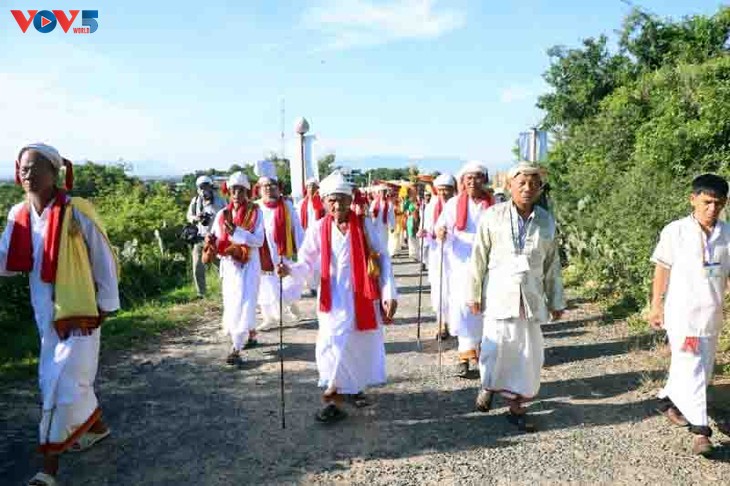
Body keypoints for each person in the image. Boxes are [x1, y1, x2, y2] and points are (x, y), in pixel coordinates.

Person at [0, 143, 120, 486]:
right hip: (45, 316)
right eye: (22, 167)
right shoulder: (18, 215)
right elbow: (5, 256)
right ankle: (97, 428)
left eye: (35, 167)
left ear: (55, 172)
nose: (27, 173)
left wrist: (105, 306)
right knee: (70, 379)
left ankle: (48, 468)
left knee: (58, 384)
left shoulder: (76, 211)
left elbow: (104, 259)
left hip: (81, 312)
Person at [283, 171, 398, 423]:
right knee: (331, 345)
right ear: (324, 202)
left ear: (350, 200)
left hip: (363, 296)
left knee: (357, 345)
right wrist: (289, 269)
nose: (337, 205)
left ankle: (351, 388)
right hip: (332, 298)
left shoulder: (364, 225)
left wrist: (389, 292)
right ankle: (333, 395)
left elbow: (383, 259)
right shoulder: (318, 229)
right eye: (332, 200)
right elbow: (305, 262)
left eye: (342, 200)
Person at [468, 162, 565, 433]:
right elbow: (478, 258)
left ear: (540, 189)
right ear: (509, 186)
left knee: (527, 355)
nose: (527, 188)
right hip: (500, 295)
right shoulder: (492, 216)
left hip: (531, 298)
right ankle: (488, 385)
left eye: (533, 184)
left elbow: (552, 264)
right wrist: (473, 293)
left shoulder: (546, 221)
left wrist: (556, 299)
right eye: (521, 183)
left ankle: (517, 407)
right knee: (494, 349)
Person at [648, 174, 730, 455]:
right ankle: (701, 431)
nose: (712, 209)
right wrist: (656, 305)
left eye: (718, 204)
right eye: (706, 202)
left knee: (701, 371)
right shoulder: (676, 231)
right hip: (682, 317)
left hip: (711, 316)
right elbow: (662, 268)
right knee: (691, 365)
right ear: (693, 199)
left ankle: (667, 400)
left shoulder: (727, 234)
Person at [434, 161, 495, 378]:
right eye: (468, 178)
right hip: (460, 261)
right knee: (462, 307)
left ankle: (480, 352)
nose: (472, 181)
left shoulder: (495, 204)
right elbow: (441, 225)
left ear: (484, 180)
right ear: (463, 182)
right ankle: (463, 355)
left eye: (477, 177)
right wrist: (440, 231)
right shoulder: (453, 204)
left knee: (484, 307)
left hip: (487, 262)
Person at [206, 171, 264, 365]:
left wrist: (238, 233)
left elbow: (259, 240)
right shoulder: (222, 214)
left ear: (247, 192)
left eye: (241, 190)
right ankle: (251, 334)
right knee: (232, 302)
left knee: (246, 302)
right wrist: (210, 242)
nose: (237, 194)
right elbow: (214, 237)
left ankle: (236, 348)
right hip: (230, 266)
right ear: (228, 192)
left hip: (249, 263)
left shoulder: (256, 212)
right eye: (233, 190)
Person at [254, 160, 305, 329]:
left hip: (284, 252)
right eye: (265, 186)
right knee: (265, 287)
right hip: (263, 253)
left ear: (278, 187)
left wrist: (302, 248)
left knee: (291, 282)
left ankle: (290, 302)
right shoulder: (256, 207)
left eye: (272, 185)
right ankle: (269, 318)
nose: (269, 188)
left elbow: (296, 228)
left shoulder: (287, 205)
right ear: (260, 189)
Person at [421, 173, 456, 340]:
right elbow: (428, 228)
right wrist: (428, 233)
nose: (443, 193)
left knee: (454, 289)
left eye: (447, 190)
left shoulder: (458, 204)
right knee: (439, 288)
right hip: (437, 254)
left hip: (456, 254)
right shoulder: (431, 206)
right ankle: (441, 323)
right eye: (440, 190)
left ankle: (455, 323)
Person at [186, 175, 225, 298]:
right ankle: (201, 293)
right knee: (197, 266)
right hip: (200, 238)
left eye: (206, 187)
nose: (203, 190)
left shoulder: (220, 201)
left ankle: (226, 289)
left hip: (215, 238)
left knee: (221, 266)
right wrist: (196, 218)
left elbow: (227, 216)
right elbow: (189, 216)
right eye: (201, 188)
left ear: (211, 187)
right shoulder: (196, 201)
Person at [297, 177, 325, 297]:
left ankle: (317, 285)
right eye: (309, 187)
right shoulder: (301, 204)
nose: (311, 189)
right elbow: (297, 221)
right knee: (306, 260)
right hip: (304, 235)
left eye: (313, 187)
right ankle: (310, 285)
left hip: (318, 236)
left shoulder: (322, 203)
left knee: (318, 263)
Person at [369, 183, 395, 249]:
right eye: (382, 191)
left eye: (384, 191)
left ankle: (383, 256)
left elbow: (391, 215)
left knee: (384, 242)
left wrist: (392, 226)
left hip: (384, 226)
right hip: (375, 225)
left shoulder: (389, 203)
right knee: (376, 242)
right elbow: (370, 213)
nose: (383, 193)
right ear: (379, 193)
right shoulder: (374, 202)